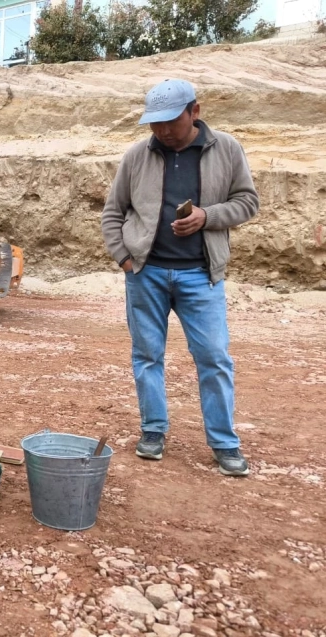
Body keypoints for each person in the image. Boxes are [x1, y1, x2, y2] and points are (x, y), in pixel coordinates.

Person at [101, 79, 259, 477]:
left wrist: (209, 216)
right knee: (147, 357)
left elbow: (248, 202)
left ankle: (224, 443)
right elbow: (113, 213)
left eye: (170, 121)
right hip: (146, 274)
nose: (163, 130)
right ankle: (153, 431)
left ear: (195, 112)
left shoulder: (226, 149)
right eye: (155, 123)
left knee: (214, 359)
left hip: (201, 276)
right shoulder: (137, 155)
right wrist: (124, 258)